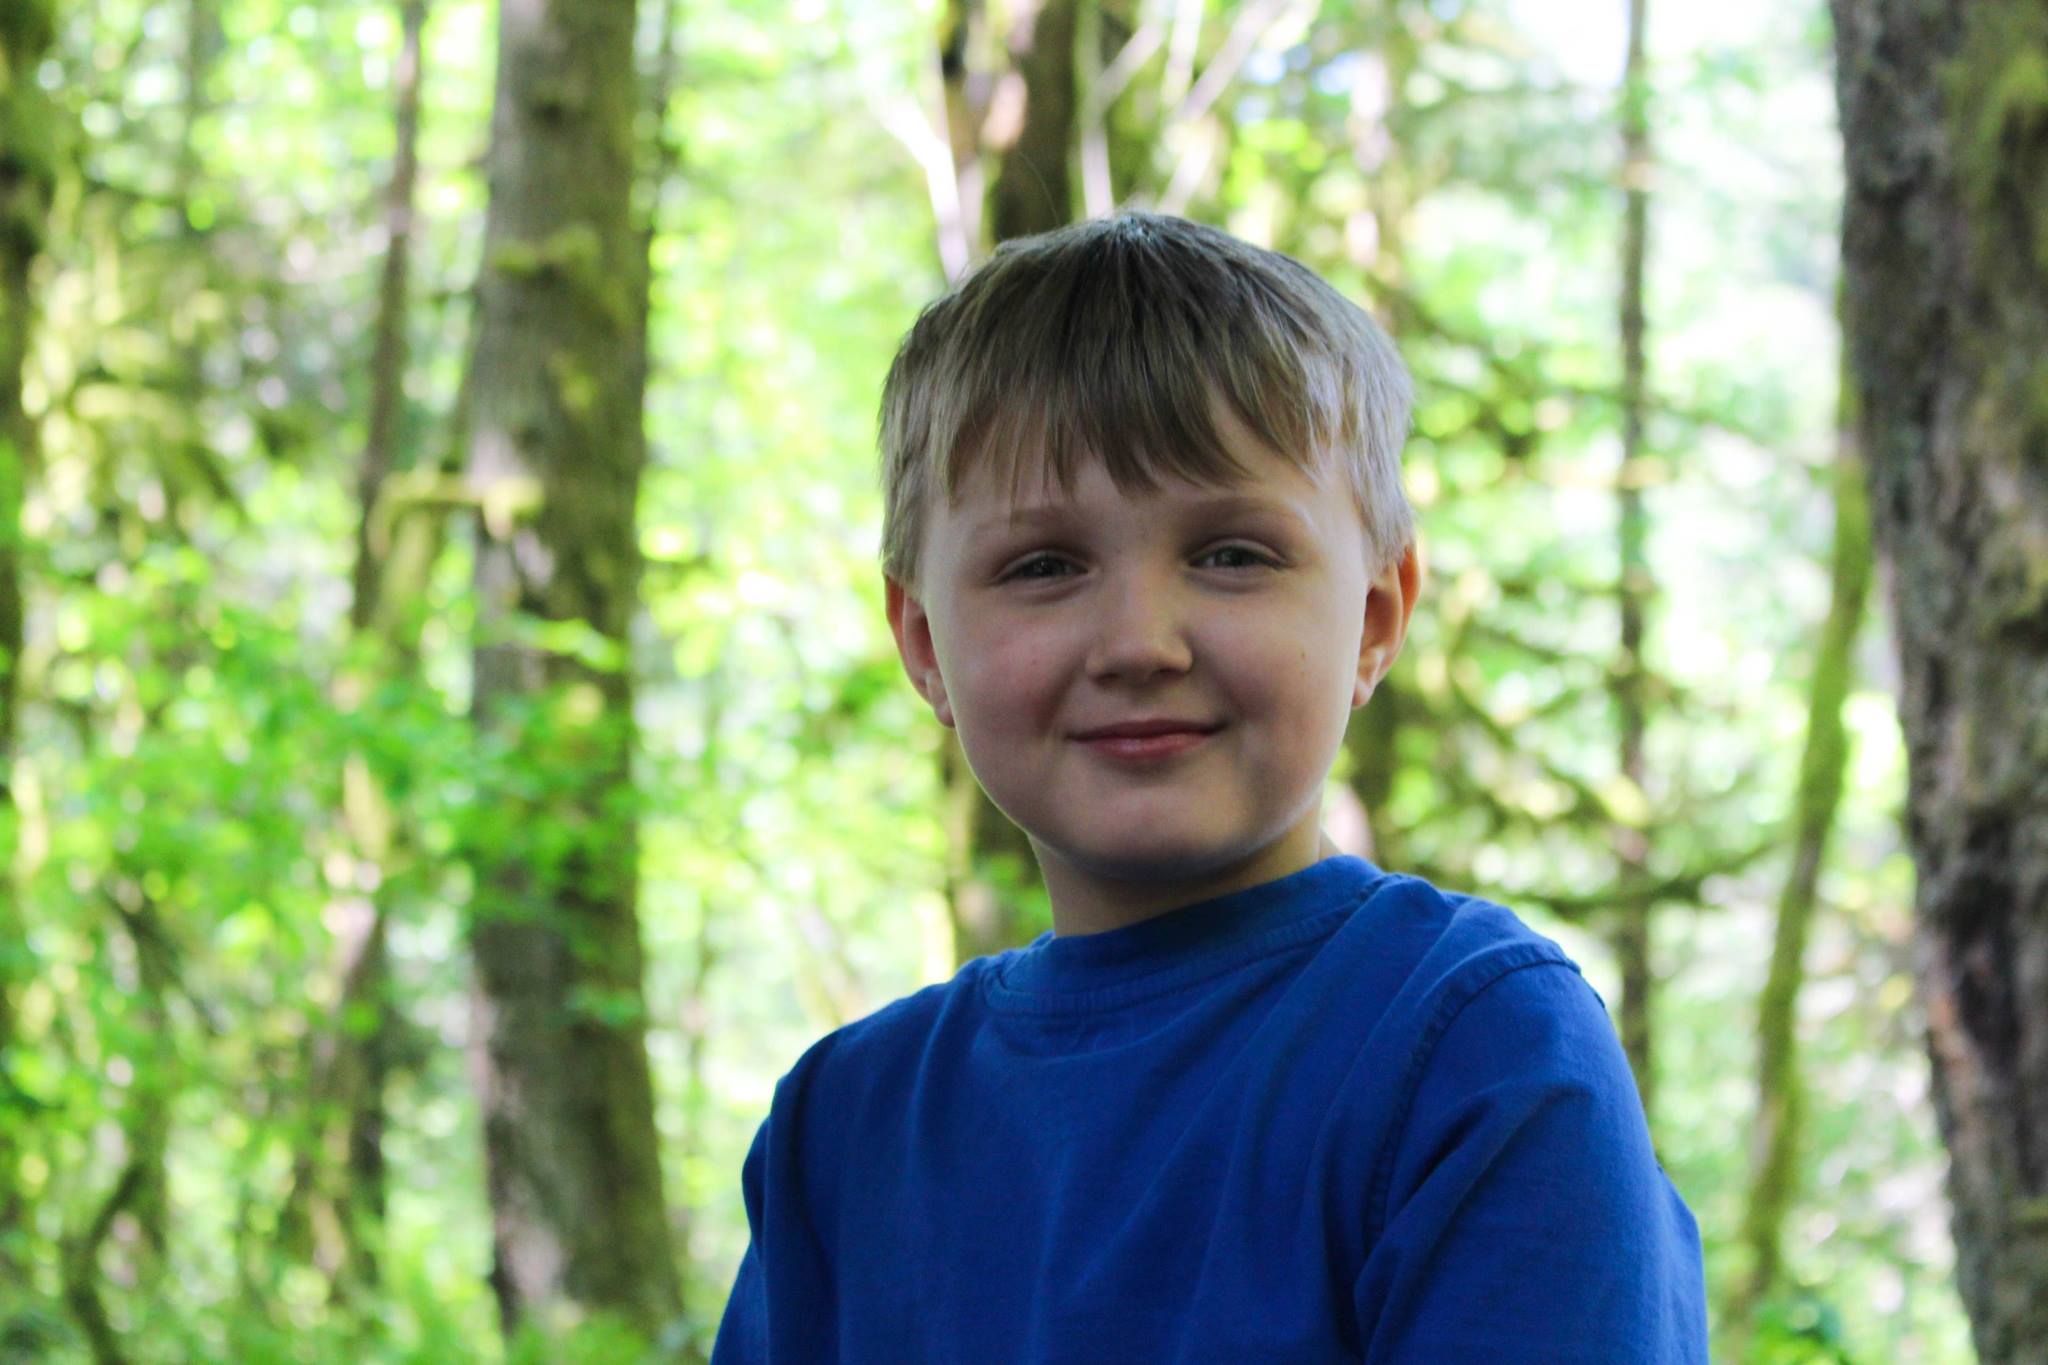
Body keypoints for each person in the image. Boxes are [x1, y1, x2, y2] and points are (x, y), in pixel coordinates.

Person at [709, 212, 1708, 1363]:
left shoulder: (1472, 1047)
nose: (1139, 641)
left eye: (1231, 554)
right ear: (925, 642)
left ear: (1373, 618)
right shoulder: (841, 1130)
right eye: (1042, 566)